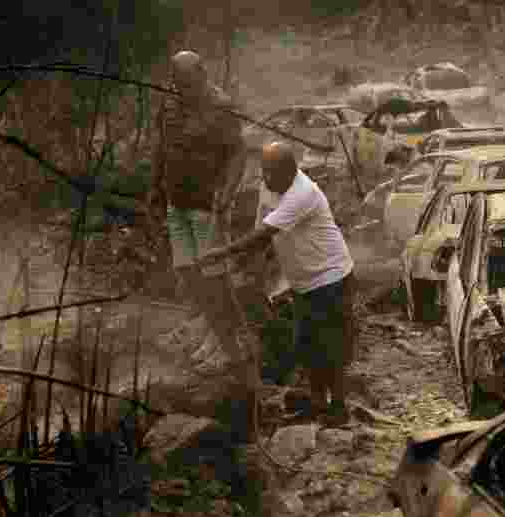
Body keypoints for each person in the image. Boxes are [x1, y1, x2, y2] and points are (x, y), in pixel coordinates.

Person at [198, 142, 355, 426]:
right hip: (303, 282)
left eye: (272, 173)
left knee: (331, 347)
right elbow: (261, 232)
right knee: (308, 345)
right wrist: (243, 265)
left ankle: (339, 408)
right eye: (264, 172)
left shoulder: (303, 194)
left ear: (291, 172)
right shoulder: (268, 187)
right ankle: (318, 404)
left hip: (331, 277)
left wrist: (223, 253)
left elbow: (264, 233)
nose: (266, 178)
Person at [147, 50, 249, 375]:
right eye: (179, 84)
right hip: (176, 202)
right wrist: (154, 186)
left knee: (214, 279)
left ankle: (232, 349)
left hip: (207, 206)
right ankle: (215, 335)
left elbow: (238, 153)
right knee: (189, 274)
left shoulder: (221, 107)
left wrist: (227, 194)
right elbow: (162, 147)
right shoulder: (169, 105)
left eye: (190, 84)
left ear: (203, 74)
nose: (185, 90)